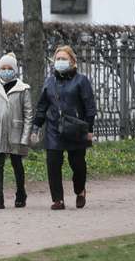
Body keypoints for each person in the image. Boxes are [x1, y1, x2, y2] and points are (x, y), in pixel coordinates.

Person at [31, 45, 97, 210]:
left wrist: (89, 129)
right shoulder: (49, 81)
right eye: (58, 59)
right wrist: (36, 127)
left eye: (64, 59)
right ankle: (57, 199)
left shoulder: (81, 80)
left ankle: (80, 190)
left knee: (78, 164)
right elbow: (42, 106)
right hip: (54, 128)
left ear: (73, 62)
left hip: (76, 128)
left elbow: (89, 106)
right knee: (53, 163)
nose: (60, 62)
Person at [0, 53, 34, 209]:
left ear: (15, 70)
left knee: (17, 163)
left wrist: (25, 138)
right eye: (3, 68)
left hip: (15, 132)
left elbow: (28, 114)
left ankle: (21, 193)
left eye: (9, 68)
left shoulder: (23, 88)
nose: (6, 71)